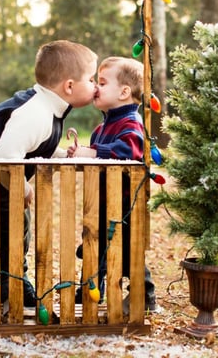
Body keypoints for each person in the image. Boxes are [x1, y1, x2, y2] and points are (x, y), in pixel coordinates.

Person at [0, 40, 98, 308]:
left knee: (16, 225)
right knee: (13, 224)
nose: (94, 86)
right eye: (90, 80)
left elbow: (33, 148)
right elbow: (4, 155)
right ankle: (8, 283)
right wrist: (23, 186)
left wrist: (61, 155)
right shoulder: (37, 113)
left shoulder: (49, 108)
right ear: (69, 86)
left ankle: (7, 277)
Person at [68, 56, 157, 312]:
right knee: (96, 248)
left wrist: (94, 153)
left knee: (127, 252)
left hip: (125, 206)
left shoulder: (132, 124)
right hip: (103, 203)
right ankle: (92, 290)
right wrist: (81, 155)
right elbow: (97, 157)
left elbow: (130, 151)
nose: (96, 86)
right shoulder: (99, 129)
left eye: (103, 82)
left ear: (124, 92)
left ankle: (144, 293)